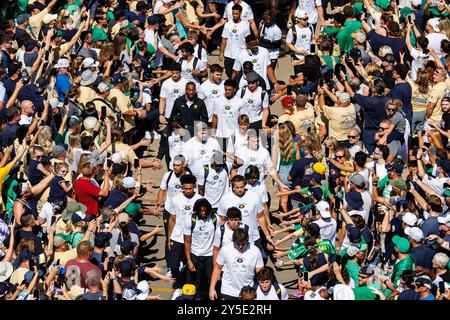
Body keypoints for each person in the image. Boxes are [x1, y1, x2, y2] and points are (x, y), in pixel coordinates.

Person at [209, 228, 263, 300]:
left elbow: (260, 273)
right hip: (228, 290)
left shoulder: (255, 251)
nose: (240, 247)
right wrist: (212, 288)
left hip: (247, 291)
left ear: (247, 240)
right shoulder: (225, 249)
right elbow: (217, 268)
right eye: (238, 244)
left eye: (243, 244)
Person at [183, 198, 220, 300]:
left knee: (211, 281)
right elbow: (187, 242)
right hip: (195, 255)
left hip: (210, 256)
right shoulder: (190, 220)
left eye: (205, 210)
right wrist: (189, 261)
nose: (203, 213)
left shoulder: (215, 218)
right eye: (201, 211)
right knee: (196, 282)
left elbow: (219, 240)